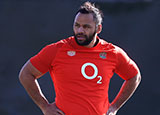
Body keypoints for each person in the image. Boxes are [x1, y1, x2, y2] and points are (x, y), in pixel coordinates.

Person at [19, 1, 141, 115]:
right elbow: (26, 74)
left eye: (86, 27)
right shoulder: (57, 50)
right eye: (77, 25)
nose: (80, 30)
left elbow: (134, 76)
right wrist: (44, 106)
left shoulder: (112, 53)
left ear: (98, 29)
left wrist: (115, 107)